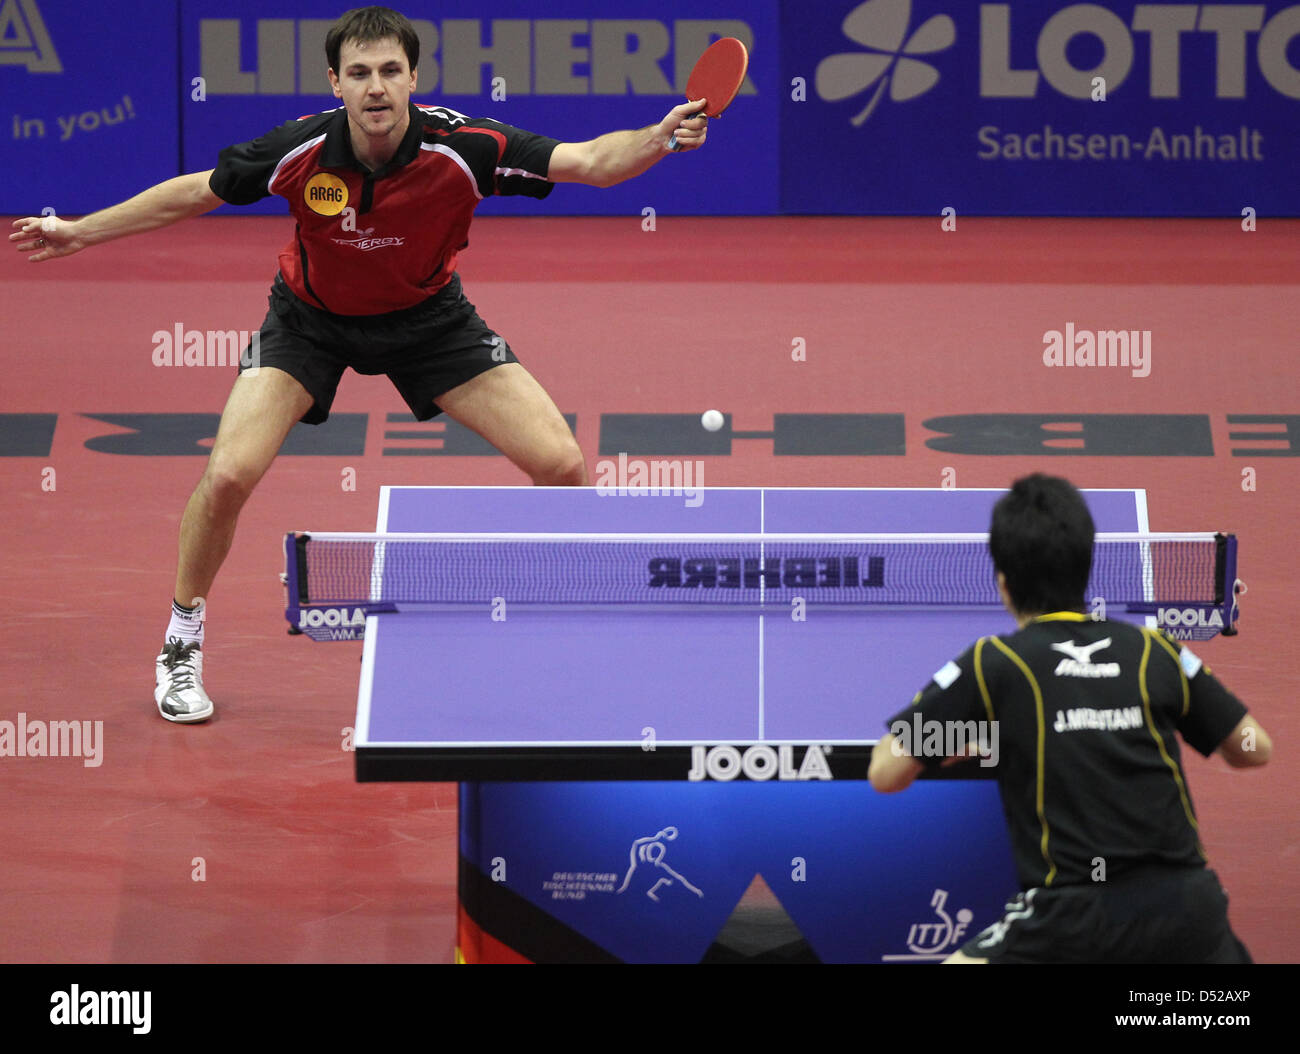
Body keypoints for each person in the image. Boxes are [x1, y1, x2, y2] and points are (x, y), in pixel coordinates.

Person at [9, 6, 711, 724]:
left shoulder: (464, 146)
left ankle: (560, 624)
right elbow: (195, 193)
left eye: (388, 72)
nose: (375, 87)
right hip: (309, 322)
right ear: (335, 83)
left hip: (429, 322)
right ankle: (181, 641)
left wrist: (658, 139)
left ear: (413, 77)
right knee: (226, 474)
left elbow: (591, 162)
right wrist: (79, 232)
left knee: (561, 463)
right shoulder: (299, 149)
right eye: (359, 73)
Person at [868, 473, 1270, 964]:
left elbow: (886, 772)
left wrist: (987, 736)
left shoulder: (995, 662)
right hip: (1187, 910)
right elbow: (1254, 749)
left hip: (1073, 918)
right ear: (1088, 566)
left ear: (1004, 582)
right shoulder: (1155, 650)